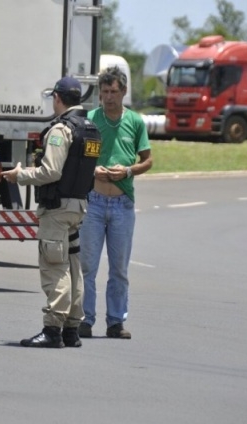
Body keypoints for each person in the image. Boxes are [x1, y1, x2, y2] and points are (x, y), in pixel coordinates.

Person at [1, 77, 101, 348]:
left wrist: (19, 175)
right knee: (72, 266)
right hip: (78, 205)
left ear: (57, 97)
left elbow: (51, 172)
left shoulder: (61, 130)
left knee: (55, 267)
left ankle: (53, 329)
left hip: (57, 209)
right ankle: (71, 329)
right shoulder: (91, 129)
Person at [79, 66, 153, 340]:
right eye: (104, 91)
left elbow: (147, 159)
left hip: (122, 203)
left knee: (119, 268)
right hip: (94, 202)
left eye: (114, 91)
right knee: (87, 265)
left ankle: (115, 321)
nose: (109, 97)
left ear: (123, 92)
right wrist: (92, 170)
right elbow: (79, 156)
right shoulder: (89, 119)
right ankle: (84, 319)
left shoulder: (135, 121)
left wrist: (128, 171)